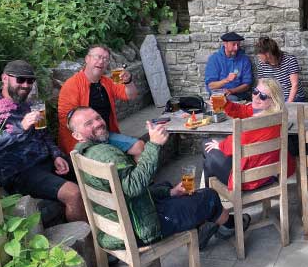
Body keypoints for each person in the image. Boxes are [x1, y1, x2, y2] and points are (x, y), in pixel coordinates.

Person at [69, 106, 245, 250]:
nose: (98, 123)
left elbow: (125, 192)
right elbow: (133, 187)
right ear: (77, 135)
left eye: (98, 118)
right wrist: (153, 144)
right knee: (209, 196)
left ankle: (206, 223)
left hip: (116, 227)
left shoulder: (84, 154)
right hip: (141, 229)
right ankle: (228, 225)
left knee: (169, 188)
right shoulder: (108, 154)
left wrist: (169, 192)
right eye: (89, 123)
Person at [0, 60, 85, 222]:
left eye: (30, 81)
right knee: (74, 194)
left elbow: (43, 134)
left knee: (89, 172)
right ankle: (87, 242)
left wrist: (56, 155)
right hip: (20, 171)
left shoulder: (28, 104)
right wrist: (20, 126)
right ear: (4, 78)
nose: (26, 85)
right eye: (21, 79)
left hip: (45, 161)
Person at [203, 78, 296, 192]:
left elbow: (235, 142)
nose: (256, 97)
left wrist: (220, 146)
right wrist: (226, 104)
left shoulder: (257, 123)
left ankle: (211, 202)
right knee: (210, 157)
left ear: (273, 101)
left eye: (262, 96)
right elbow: (243, 110)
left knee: (206, 148)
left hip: (250, 179)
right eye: (255, 91)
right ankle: (211, 200)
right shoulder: (275, 115)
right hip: (270, 172)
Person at [58, 45, 144, 157]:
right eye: (97, 57)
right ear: (87, 59)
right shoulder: (72, 85)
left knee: (139, 146)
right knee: (112, 158)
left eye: (105, 59)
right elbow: (66, 120)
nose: (101, 61)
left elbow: (130, 95)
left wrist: (128, 82)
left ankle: (132, 175)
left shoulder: (106, 82)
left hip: (105, 134)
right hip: (84, 140)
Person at [204, 31, 253, 101]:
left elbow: (247, 85)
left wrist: (232, 91)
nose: (236, 48)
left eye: (238, 45)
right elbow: (211, 85)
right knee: (231, 99)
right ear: (225, 44)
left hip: (240, 95)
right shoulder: (214, 59)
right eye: (233, 44)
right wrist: (226, 80)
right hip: (220, 96)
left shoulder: (244, 59)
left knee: (235, 98)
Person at [256, 37, 305, 102]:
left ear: (267, 54)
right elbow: (261, 85)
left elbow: (295, 85)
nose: (258, 57)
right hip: (275, 98)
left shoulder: (290, 60)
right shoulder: (261, 64)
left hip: (293, 97)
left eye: (259, 55)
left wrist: (288, 105)